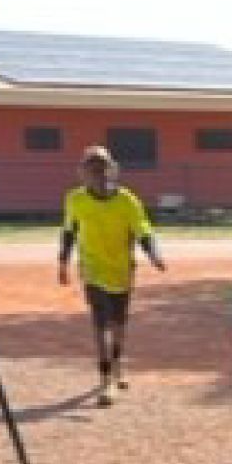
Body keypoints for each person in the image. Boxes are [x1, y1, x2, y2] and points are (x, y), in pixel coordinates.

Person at [55, 147, 168, 400]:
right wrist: (63, 263)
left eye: (103, 167)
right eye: (92, 169)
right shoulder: (75, 200)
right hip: (93, 270)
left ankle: (117, 365)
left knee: (118, 324)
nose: (99, 173)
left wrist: (154, 254)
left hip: (121, 271)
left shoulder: (127, 200)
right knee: (100, 324)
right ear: (83, 174)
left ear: (113, 171)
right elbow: (69, 231)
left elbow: (143, 230)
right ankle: (106, 379)